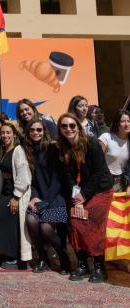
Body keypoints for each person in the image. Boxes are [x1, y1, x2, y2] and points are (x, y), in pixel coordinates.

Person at [57, 113, 113, 283]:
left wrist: (84, 195)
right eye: (64, 126)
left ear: (78, 127)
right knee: (75, 220)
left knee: (91, 221)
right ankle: (82, 265)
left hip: (100, 190)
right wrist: (77, 200)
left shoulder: (92, 144)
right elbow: (68, 177)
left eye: (72, 125)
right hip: (80, 194)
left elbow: (99, 172)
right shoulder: (63, 148)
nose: (69, 129)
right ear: (60, 129)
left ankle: (98, 266)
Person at [23, 120, 70, 274]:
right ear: (28, 132)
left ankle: (64, 258)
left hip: (56, 198)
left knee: (46, 228)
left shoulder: (52, 149)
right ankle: (43, 259)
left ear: (44, 131)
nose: (36, 132)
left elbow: (57, 179)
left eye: (39, 130)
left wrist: (46, 201)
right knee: (30, 220)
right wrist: (35, 197)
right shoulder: (28, 152)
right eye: (32, 130)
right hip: (40, 198)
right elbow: (32, 180)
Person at [0, 123, 32, 270]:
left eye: (8, 132)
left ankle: (13, 256)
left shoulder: (18, 151)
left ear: (14, 134)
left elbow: (24, 176)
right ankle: (3, 251)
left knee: (9, 214)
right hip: (5, 193)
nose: (5, 135)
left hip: (17, 194)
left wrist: (16, 197)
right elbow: (0, 176)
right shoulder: (5, 151)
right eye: (2, 133)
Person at [99, 110, 130, 194]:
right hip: (105, 179)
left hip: (122, 181)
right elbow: (96, 161)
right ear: (117, 123)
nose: (126, 124)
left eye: (128, 121)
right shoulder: (106, 137)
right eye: (123, 121)